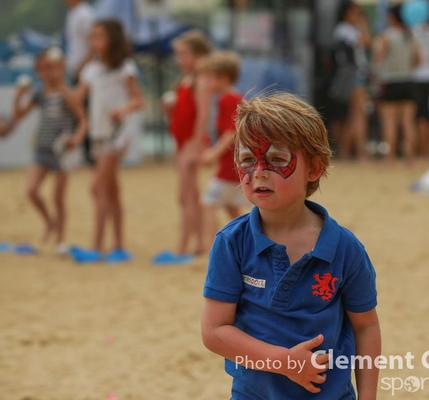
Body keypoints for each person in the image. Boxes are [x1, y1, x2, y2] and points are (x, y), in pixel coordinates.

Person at [201, 93, 381, 399]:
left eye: (277, 159)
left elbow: (366, 327)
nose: (259, 171)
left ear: (314, 168)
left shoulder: (345, 249)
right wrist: (284, 362)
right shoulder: (231, 243)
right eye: (248, 159)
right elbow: (214, 332)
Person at [0, 48, 87, 253]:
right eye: (42, 69)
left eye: (49, 68)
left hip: (62, 152)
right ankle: (49, 221)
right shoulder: (40, 93)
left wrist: (77, 138)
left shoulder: (65, 92)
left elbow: (82, 119)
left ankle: (60, 240)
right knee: (31, 190)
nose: (45, 73)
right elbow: (19, 116)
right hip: (42, 148)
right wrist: (17, 98)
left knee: (58, 198)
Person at [71, 19, 143, 264]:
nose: (94, 41)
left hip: (116, 134)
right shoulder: (91, 69)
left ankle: (97, 246)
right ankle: (119, 246)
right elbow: (76, 98)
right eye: (92, 37)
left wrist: (122, 110)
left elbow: (138, 100)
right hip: (98, 134)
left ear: (113, 38)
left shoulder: (125, 67)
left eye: (99, 36)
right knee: (111, 190)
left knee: (98, 188)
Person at [163, 29, 212, 257]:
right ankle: (198, 243)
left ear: (199, 55)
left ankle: (185, 245)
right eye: (178, 54)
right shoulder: (185, 80)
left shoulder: (200, 80)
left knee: (187, 196)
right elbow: (183, 115)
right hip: (182, 142)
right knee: (189, 195)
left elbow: (203, 113)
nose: (179, 59)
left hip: (190, 143)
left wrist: (196, 142)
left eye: (184, 54)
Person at [197, 51, 248, 243]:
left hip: (230, 165)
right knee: (231, 206)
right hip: (234, 163)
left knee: (208, 204)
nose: (206, 82)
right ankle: (247, 242)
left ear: (224, 78)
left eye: (209, 77)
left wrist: (213, 153)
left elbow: (231, 131)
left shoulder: (228, 99)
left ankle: (214, 247)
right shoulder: (232, 98)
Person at [374, 5, 421, 165]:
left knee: (389, 122)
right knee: (408, 122)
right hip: (408, 81)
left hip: (390, 81)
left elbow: (378, 59)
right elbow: (419, 60)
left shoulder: (387, 36)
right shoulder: (410, 36)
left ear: (392, 17)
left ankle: (390, 157)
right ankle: (410, 157)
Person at [331, 1, 372, 161]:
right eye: (355, 13)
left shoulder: (349, 30)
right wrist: (363, 25)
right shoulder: (344, 30)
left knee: (354, 115)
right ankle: (361, 152)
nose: (358, 17)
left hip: (357, 75)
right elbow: (366, 41)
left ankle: (345, 151)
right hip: (353, 76)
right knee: (359, 115)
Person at [64, 0, 95, 165]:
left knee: (85, 111)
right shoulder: (73, 13)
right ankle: (83, 151)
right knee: (79, 110)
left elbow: (92, 45)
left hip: (83, 71)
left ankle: (90, 153)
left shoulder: (85, 14)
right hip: (76, 70)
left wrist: (82, 68)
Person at [412, 21, 429, 158]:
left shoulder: (412, 30)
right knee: (427, 115)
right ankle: (425, 149)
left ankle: (421, 150)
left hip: (416, 77)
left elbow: (417, 59)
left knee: (419, 116)